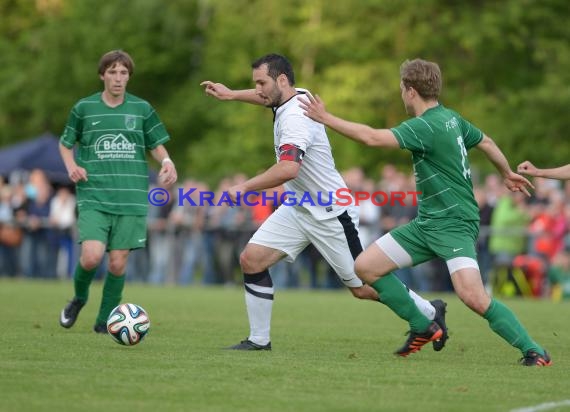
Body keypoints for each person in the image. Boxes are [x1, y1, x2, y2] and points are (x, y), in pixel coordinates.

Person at [299, 58, 551, 366]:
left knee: (472, 296)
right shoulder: (451, 118)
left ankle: (534, 350)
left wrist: (325, 117)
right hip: (427, 224)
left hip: (455, 223)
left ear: (410, 91)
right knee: (365, 267)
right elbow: (486, 141)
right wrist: (506, 172)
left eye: (401, 88)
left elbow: (371, 137)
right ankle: (423, 325)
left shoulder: (425, 126)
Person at [200, 53, 447, 351]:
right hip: (298, 207)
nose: (258, 89)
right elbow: (265, 97)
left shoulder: (294, 118)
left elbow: (289, 168)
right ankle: (258, 340)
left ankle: (431, 312)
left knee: (363, 287)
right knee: (251, 259)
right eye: (256, 84)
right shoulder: (296, 94)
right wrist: (231, 95)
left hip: (330, 212)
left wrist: (244, 187)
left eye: (261, 82)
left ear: (281, 80)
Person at [58, 50, 177, 333]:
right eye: (112, 72)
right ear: (102, 75)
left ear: (128, 77)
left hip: (131, 197)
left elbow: (155, 144)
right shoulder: (84, 108)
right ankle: (79, 298)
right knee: (91, 256)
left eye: (123, 73)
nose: (118, 78)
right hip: (94, 195)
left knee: (118, 262)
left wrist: (168, 161)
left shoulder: (142, 109)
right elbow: (65, 144)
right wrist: (71, 166)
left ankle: (104, 322)